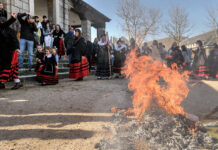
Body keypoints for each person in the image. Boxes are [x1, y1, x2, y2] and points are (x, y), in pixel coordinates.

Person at [0, 13, 23, 90]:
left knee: (10, 68)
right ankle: (1, 83)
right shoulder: (1, 29)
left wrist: (17, 48)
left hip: (10, 52)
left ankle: (18, 82)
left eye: (2, 22)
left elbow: (15, 40)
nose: (2, 23)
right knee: (2, 68)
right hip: (2, 53)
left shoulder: (11, 31)